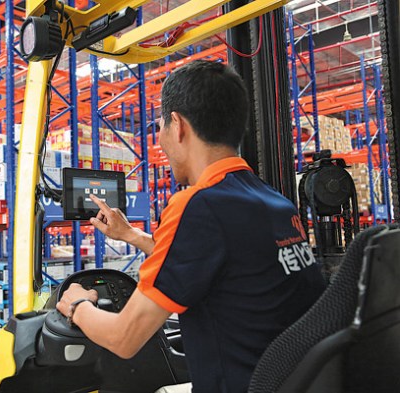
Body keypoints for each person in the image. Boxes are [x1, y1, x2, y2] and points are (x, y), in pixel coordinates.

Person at [56, 60, 326, 393]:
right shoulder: (276, 204)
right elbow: (223, 263)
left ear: (178, 125)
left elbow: (123, 338)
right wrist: (131, 236)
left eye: (161, 127)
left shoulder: (197, 205)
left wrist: (77, 304)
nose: (161, 140)